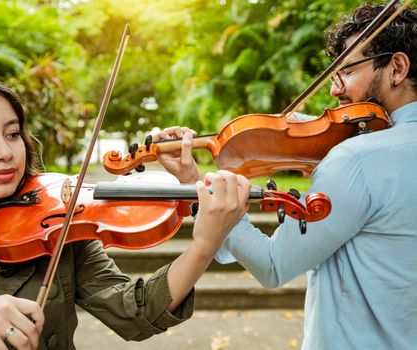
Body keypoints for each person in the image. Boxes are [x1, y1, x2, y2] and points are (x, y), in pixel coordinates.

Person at [0, 73, 250, 349]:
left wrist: (204, 245)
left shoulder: (58, 227)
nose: (4, 152)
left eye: (13, 133)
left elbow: (134, 313)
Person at [155, 3, 417, 350]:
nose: (334, 90)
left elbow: (273, 265)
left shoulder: (358, 159)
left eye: (347, 71)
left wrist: (195, 183)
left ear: (396, 68)